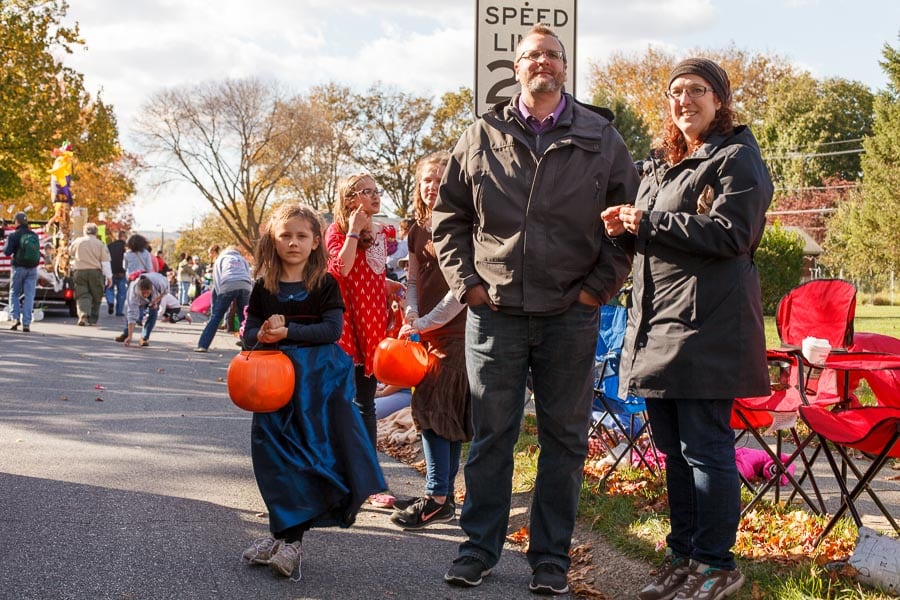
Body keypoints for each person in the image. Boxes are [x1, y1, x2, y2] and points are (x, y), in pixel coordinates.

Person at [432, 24, 638, 596]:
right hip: (493, 310)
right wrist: (467, 283)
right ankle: (477, 550)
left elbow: (625, 221)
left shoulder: (601, 136)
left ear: (565, 69)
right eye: (532, 55)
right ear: (515, 68)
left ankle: (550, 558)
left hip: (571, 313)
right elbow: (448, 217)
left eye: (552, 54)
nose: (542, 62)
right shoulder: (479, 135)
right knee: (492, 435)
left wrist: (597, 290)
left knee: (565, 440)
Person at [601, 58, 772, 600]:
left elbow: (733, 233)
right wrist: (624, 233)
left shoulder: (737, 158)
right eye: (675, 92)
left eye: (697, 90)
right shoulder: (665, 162)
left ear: (719, 100)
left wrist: (648, 222)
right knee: (674, 452)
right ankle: (683, 556)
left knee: (706, 451)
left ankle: (717, 564)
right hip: (655, 327)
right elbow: (665, 244)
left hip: (707, 329)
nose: (684, 100)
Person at [239, 203, 386, 580]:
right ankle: (279, 532)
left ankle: (292, 542)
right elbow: (249, 328)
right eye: (285, 235)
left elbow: (331, 331)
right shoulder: (264, 284)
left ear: (316, 241)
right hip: (271, 385)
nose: (293, 242)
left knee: (306, 458)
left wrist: (287, 331)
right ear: (273, 239)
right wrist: (261, 334)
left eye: (302, 235)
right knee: (272, 459)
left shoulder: (324, 283)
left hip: (315, 386)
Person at [389, 152, 471, 531]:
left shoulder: (461, 226)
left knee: (434, 410)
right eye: (427, 179)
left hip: (455, 332)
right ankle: (443, 497)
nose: (432, 185)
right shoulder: (416, 229)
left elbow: (460, 291)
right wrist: (410, 312)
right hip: (425, 331)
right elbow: (411, 281)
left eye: (440, 178)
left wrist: (424, 321)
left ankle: (437, 496)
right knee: (440, 412)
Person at [325, 173, 403, 451]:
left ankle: (368, 475)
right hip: (346, 325)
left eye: (376, 190)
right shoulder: (336, 231)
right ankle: (339, 466)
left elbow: (370, 273)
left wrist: (387, 284)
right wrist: (354, 230)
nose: (375, 195)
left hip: (372, 324)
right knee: (342, 401)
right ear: (349, 200)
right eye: (365, 191)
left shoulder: (382, 231)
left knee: (366, 404)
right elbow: (342, 268)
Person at [194, 245, 251, 352]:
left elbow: (217, 280)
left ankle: (203, 345)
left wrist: (220, 297)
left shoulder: (221, 258)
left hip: (228, 285)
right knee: (244, 317)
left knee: (216, 317)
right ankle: (248, 345)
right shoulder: (242, 259)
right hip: (245, 285)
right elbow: (248, 274)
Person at [69, 223, 112, 326]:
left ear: (84, 231)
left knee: (82, 294)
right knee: (96, 295)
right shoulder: (100, 244)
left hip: (79, 271)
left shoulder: (77, 242)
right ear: (96, 232)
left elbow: (70, 253)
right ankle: (93, 319)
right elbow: (105, 262)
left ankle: (83, 314)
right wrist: (109, 277)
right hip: (95, 272)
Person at [3, 212, 40, 332]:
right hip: (32, 269)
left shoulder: (14, 235)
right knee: (29, 295)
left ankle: (15, 318)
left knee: (14, 293)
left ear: (16, 222)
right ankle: (26, 323)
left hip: (18, 268)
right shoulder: (34, 235)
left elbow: (7, 252)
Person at [114, 271, 170, 347]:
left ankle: (144, 337)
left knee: (153, 312)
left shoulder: (160, 284)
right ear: (139, 290)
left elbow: (165, 292)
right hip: (138, 297)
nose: (145, 295)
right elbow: (131, 314)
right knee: (132, 314)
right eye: (143, 293)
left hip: (156, 293)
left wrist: (155, 301)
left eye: (147, 293)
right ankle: (127, 334)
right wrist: (130, 337)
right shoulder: (133, 293)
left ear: (151, 289)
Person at [105, 230, 128, 316]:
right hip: (121, 272)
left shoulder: (110, 246)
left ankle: (110, 301)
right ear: (124, 237)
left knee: (109, 288)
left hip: (111, 271)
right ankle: (119, 311)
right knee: (121, 292)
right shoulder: (125, 248)